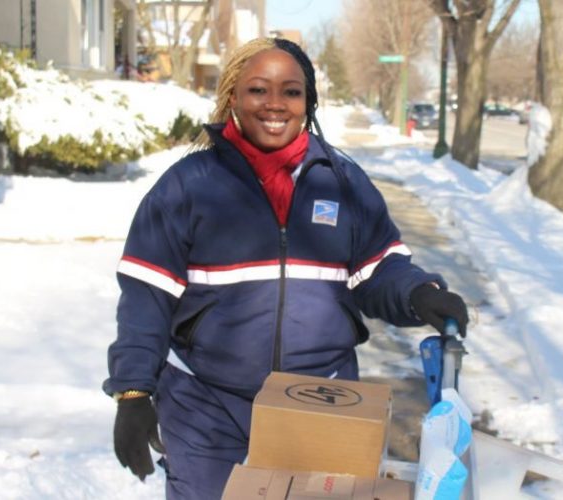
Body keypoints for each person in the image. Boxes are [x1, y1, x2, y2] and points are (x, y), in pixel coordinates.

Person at [103, 37, 469, 499]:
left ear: (309, 101)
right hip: (206, 404)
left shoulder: (342, 182)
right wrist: (133, 391)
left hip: (320, 400)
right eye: (258, 89)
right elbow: (146, 296)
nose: (274, 103)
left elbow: (378, 269)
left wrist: (419, 294)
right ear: (234, 96)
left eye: (291, 91)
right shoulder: (189, 185)